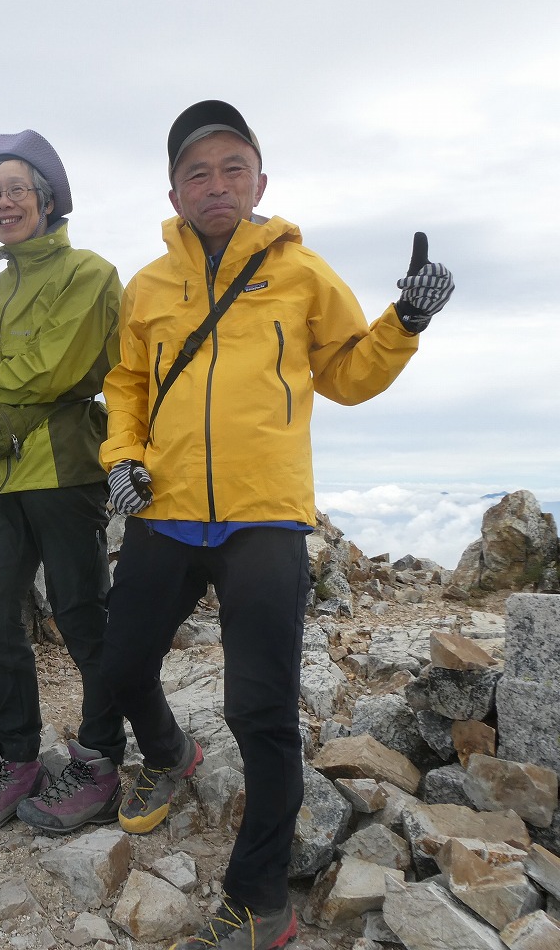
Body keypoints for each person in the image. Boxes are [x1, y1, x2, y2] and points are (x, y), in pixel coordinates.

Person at [100, 100, 454, 950]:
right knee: (119, 667)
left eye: (233, 168)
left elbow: (349, 375)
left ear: (261, 181)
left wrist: (405, 322)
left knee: (260, 710)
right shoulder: (149, 286)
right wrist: (122, 457)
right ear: (174, 193)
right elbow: (127, 384)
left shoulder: (302, 273)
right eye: (197, 173)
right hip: (165, 507)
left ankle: (259, 898)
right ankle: (168, 753)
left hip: (266, 515)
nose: (216, 185)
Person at [0, 130, 125, 836]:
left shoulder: (90, 273)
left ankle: (102, 761)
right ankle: (19, 758)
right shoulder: (1, 283)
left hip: (67, 469)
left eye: (17, 189)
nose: (4, 202)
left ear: (48, 199)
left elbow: (52, 371)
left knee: (82, 617)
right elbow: (16, 373)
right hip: (7, 472)